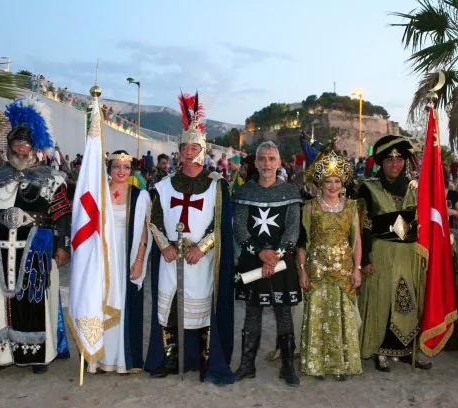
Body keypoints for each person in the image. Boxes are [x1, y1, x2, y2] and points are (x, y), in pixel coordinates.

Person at [0, 98, 71, 376]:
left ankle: (36, 356)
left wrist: (62, 247)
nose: (19, 149)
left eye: (24, 145)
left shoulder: (52, 180)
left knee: (34, 300)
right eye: (15, 145)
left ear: (34, 147)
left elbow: (61, 217)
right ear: (8, 147)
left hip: (36, 251)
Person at [145, 92, 235, 384]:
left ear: (202, 149)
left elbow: (220, 225)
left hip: (201, 258)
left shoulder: (215, 186)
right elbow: (154, 221)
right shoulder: (163, 186)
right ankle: (169, 360)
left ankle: (206, 361)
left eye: (194, 146)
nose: (188, 151)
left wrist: (202, 247)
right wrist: (165, 247)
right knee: (168, 310)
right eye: (184, 146)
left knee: (203, 309)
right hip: (172, 257)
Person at [357, 135, 431, 372]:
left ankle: (408, 349)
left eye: (399, 160)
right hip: (381, 252)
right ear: (381, 163)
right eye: (389, 160)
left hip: (409, 254)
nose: (395, 165)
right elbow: (363, 226)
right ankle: (380, 351)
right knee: (383, 300)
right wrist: (365, 258)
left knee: (409, 300)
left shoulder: (415, 187)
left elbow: (424, 221)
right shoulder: (368, 187)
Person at [232, 141, 302, 387]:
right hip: (254, 259)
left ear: (279, 163)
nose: (267, 164)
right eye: (262, 158)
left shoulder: (291, 192)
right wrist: (260, 252)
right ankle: (247, 365)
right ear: (256, 162)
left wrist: (277, 255)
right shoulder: (244, 192)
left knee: (283, 313)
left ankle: (287, 367)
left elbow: (293, 231)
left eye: (272, 158)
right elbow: (239, 227)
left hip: (281, 261)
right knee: (252, 312)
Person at [297, 151, 362, 380]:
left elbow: (357, 241)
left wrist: (357, 269)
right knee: (318, 316)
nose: (333, 185)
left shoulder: (352, 207)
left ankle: (340, 365)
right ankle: (316, 365)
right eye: (328, 181)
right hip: (316, 270)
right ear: (320, 183)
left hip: (344, 271)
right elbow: (302, 243)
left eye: (337, 181)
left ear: (342, 183)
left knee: (342, 317)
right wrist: (302, 270)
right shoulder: (309, 208)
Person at [86, 150, 152, 373]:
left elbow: (144, 230)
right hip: (102, 257)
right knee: (98, 302)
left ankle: (123, 359)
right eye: (116, 166)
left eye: (125, 167)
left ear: (131, 170)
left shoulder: (139, 196)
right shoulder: (99, 193)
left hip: (127, 255)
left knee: (124, 304)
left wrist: (140, 260)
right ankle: (98, 358)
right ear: (109, 169)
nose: (121, 171)